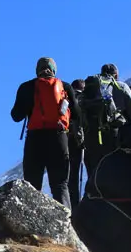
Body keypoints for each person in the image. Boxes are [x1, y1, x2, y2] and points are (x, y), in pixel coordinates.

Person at [10, 57, 79, 208]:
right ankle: (66, 227)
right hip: (59, 138)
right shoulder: (65, 87)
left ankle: (29, 225)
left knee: (32, 185)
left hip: (35, 139)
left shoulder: (27, 87)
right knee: (60, 185)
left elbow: (16, 116)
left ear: (37, 70)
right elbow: (77, 115)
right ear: (54, 70)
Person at [81, 64, 131, 196]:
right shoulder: (121, 86)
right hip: (114, 135)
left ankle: (91, 204)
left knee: (94, 174)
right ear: (116, 75)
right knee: (115, 172)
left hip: (91, 136)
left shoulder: (91, 89)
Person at [68, 79, 86, 209]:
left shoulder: (65, 98)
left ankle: (68, 204)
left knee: (67, 175)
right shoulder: (83, 99)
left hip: (62, 138)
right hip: (77, 141)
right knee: (75, 174)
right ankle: (75, 207)